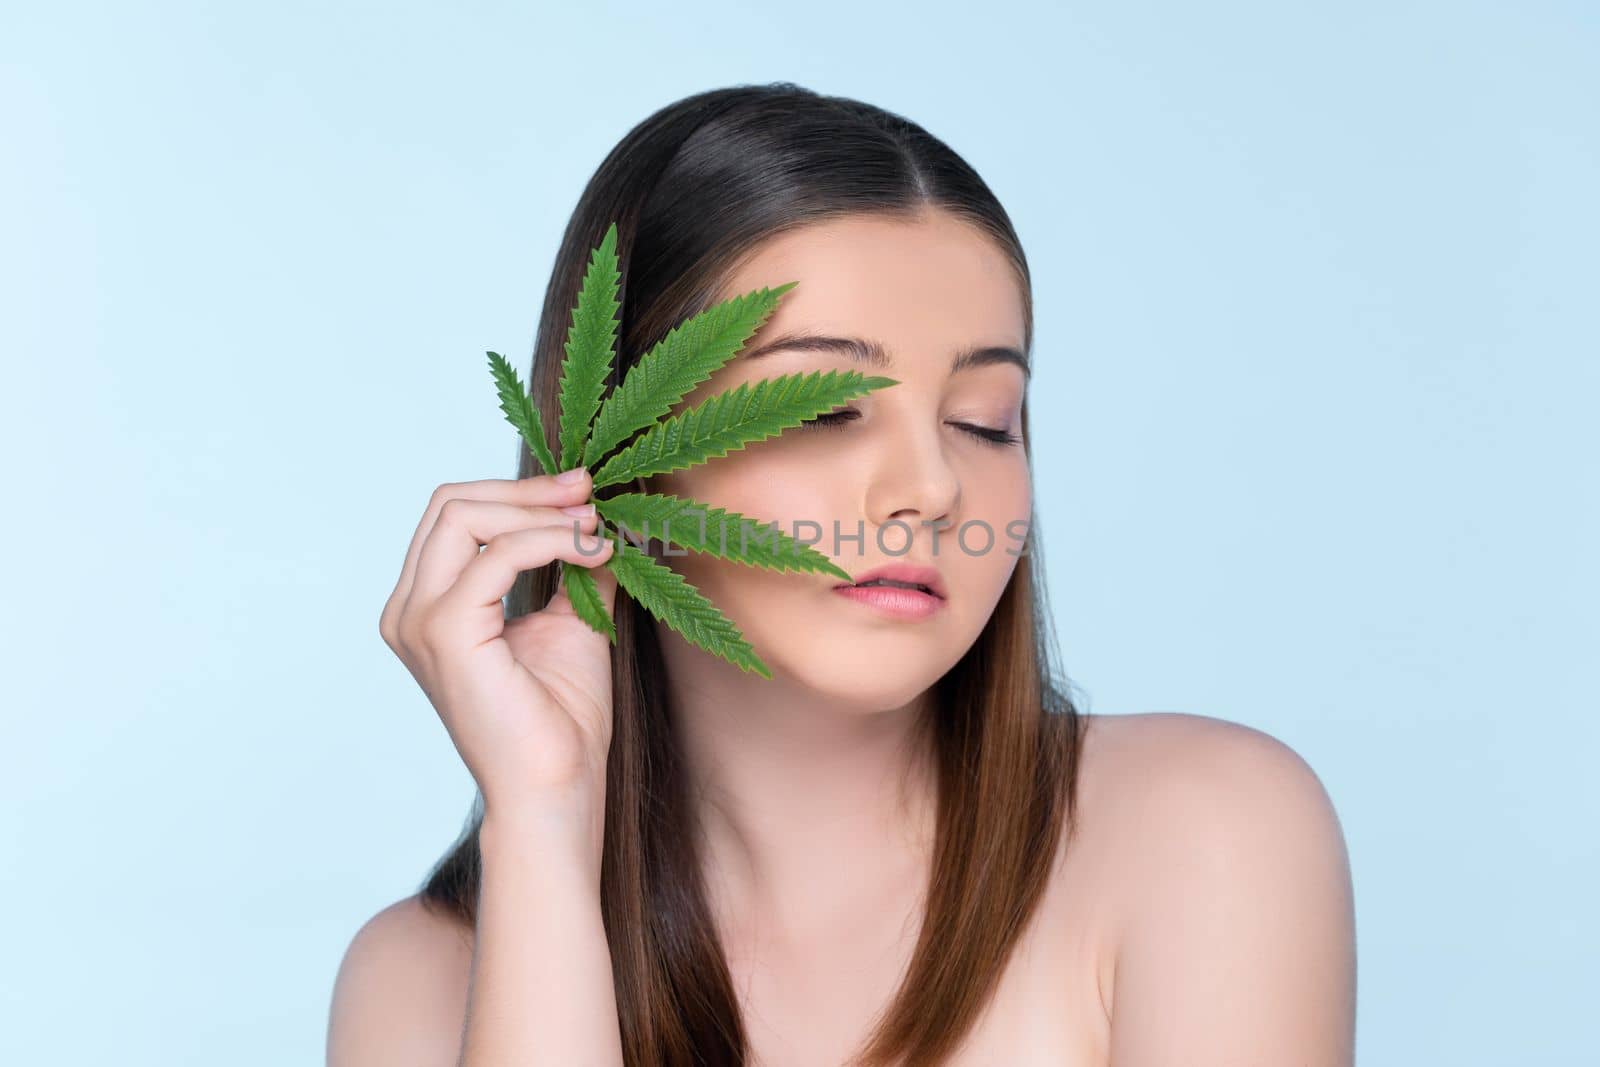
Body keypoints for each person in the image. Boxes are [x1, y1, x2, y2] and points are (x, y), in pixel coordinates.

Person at [325, 83, 1356, 1067]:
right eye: (821, 408)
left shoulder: (1201, 831)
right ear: (607, 453)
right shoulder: (420, 977)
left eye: (983, 420)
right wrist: (544, 825)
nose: (932, 485)